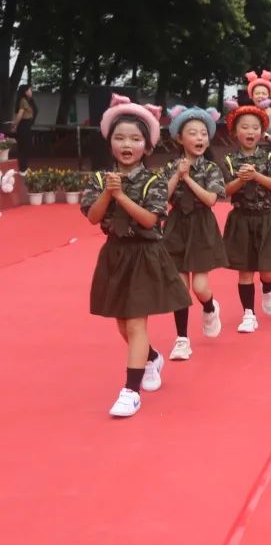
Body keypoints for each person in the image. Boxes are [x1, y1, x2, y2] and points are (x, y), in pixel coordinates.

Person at [81, 94, 190, 417]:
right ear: (110, 143)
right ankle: (152, 358)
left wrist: (120, 195)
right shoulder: (99, 179)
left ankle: (131, 391)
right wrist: (108, 191)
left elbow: (149, 219)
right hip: (115, 255)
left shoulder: (155, 181)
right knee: (123, 325)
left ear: (147, 146)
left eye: (134, 139)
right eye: (119, 138)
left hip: (145, 254)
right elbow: (93, 217)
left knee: (136, 323)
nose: (126, 144)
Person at [162, 105, 227, 361]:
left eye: (203, 133)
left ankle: (210, 306)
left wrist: (188, 178)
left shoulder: (211, 168)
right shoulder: (170, 167)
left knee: (200, 287)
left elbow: (211, 199)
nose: (199, 138)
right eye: (193, 133)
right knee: (180, 288)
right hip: (176, 226)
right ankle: (182, 339)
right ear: (180, 138)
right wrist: (177, 175)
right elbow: (161, 199)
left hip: (201, 226)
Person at [221, 103, 271, 333]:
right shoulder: (229, 159)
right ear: (234, 131)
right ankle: (248, 314)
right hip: (241, 219)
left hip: (267, 218)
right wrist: (240, 180)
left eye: (255, 127)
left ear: (262, 131)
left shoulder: (269, 156)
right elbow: (224, 191)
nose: (250, 132)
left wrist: (256, 176)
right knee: (245, 269)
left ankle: (268, 288)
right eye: (244, 127)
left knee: (268, 270)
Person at [245, 71, 271, 135]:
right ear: (252, 96)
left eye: (264, 94)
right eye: (257, 93)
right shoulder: (247, 113)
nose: (260, 96)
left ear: (269, 96)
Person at [8, 84, 36, 172]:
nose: (31, 92)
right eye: (30, 90)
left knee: (26, 147)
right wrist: (14, 125)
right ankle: (23, 169)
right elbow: (20, 115)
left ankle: (24, 167)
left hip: (26, 125)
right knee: (24, 148)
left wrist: (15, 125)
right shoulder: (23, 100)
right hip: (24, 126)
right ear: (25, 92)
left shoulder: (27, 101)